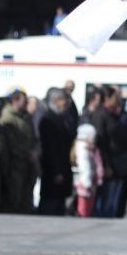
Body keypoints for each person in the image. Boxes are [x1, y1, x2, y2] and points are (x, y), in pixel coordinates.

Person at [91, 85, 127, 218]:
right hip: (110, 163)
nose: (118, 99)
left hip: (120, 163)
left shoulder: (115, 115)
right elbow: (101, 142)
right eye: (115, 97)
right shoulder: (101, 115)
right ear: (107, 99)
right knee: (106, 200)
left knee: (116, 200)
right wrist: (106, 164)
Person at [0, 90, 38, 214]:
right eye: (23, 101)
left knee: (25, 198)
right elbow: (9, 144)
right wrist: (25, 153)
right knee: (14, 198)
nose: (26, 104)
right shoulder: (8, 119)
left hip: (27, 164)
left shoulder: (25, 117)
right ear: (14, 101)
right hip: (15, 166)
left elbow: (32, 138)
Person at [37, 88, 75, 216]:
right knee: (50, 206)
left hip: (62, 168)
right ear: (56, 101)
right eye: (64, 100)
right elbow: (50, 148)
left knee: (59, 204)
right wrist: (56, 171)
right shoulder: (48, 120)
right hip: (53, 171)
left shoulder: (61, 118)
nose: (66, 103)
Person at [72, 123, 102, 218]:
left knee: (88, 206)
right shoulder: (83, 148)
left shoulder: (89, 147)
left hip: (88, 180)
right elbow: (84, 166)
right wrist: (87, 182)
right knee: (84, 207)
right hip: (84, 182)